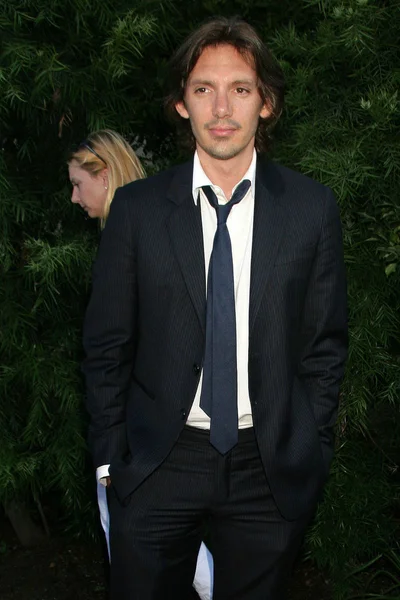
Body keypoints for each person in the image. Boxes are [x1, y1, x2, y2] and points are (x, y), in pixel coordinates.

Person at [82, 16, 348, 600]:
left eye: (241, 89)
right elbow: (107, 343)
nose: (222, 108)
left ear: (266, 103)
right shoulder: (137, 210)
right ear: (181, 103)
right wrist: (109, 461)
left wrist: (313, 444)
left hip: (269, 464)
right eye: (204, 88)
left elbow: (323, 344)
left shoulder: (311, 209)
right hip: (158, 461)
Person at [68, 129, 214, 600]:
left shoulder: (134, 236)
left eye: (77, 183)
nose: (73, 197)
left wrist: (112, 453)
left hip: (147, 446)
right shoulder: (164, 228)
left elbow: (111, 352)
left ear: (104, 176)